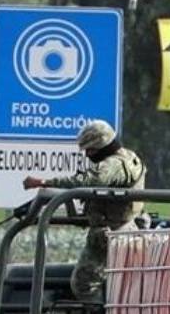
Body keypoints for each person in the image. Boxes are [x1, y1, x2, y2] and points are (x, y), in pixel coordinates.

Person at [22, 119, 146, 303]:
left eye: (91, 150)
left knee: (83, 285)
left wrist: (45, 182)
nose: (88, 154)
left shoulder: (114, 165)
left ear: (102, 145)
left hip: (112, 233)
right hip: (123, 229)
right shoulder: (129, 157)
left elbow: (90, 181)